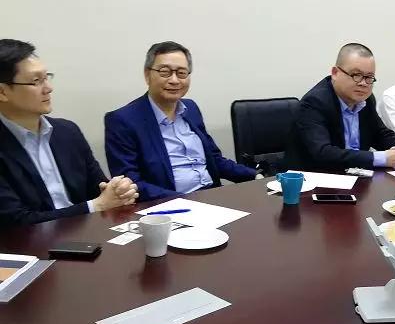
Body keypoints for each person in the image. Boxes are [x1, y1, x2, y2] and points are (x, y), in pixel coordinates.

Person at [0, 39, 137, 226]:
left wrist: (118, 190)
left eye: (46, 77)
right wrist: (96, 206)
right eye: (36, 81)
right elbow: (17, 221)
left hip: (86, 234)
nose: (48, 88)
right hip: (30, 242)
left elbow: (99, 188)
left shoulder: (67, 132)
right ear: (3, 92)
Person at [104, 41, 259, 202]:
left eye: (181, 73)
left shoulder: (191, 108)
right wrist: (188, 201)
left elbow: (215, 160)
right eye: (165, 72)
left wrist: (256, 176)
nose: (174, 80)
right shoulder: (122, 120)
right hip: (169, 206)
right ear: (147, 74)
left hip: (212, 198)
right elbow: (131, 184)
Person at [283, 43, 395, 172]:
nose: (363, 83)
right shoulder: (314, 102)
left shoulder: (365, 99)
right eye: (356, 75)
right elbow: (323, 152)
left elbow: (380, 134)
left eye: (369, 77)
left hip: (355, 176)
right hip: (315, 178)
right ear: (335, 73)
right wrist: (380, 158)